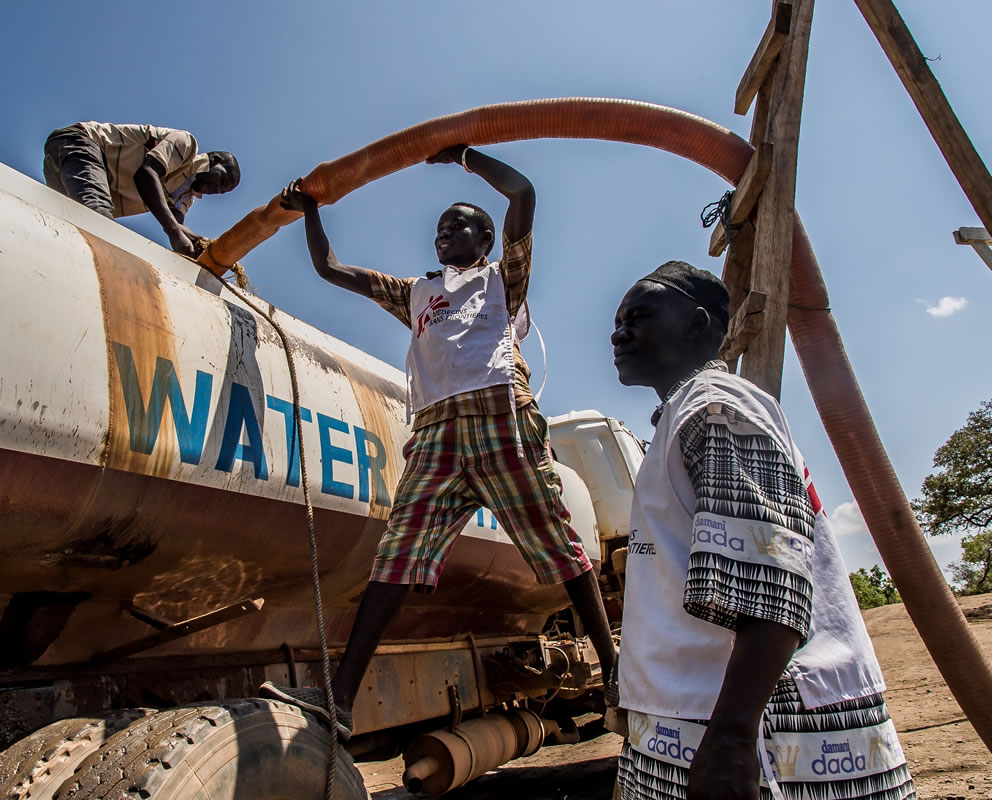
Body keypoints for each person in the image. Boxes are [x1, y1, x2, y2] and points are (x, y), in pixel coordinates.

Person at [259, 145, 617, 740]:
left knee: (557, 542)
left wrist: (465, 156)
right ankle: (338, 699)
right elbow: (332, 270)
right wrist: (311, 210)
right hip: (435, 434)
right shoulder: (416, 293)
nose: (444, 233)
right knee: (396, 554)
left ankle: (614, 669)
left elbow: (524, 195)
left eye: (459, 225)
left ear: (485, 240)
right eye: (439, 228)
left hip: (499, 413)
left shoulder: (504, 281)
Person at [608, 260, 915, 800]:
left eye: (639, 315)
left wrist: (731, 737)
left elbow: (772, 581)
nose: (618, 332)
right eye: (618, 320)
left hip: (757, 729)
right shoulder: (686, 415)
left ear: (699, 325)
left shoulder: (715, 406)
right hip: (700, 716)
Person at [42, 122, 240, 257]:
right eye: (221, 181)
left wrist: (197, 243)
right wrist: (174, 232)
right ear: (215, 161)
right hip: (80, 143)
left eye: (221, 192)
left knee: (69, 228)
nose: (216, 190)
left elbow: (175, 225)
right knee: (99, 221)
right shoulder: (186, 145)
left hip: (63, 171)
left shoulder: (185, 197)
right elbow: (146, 174)